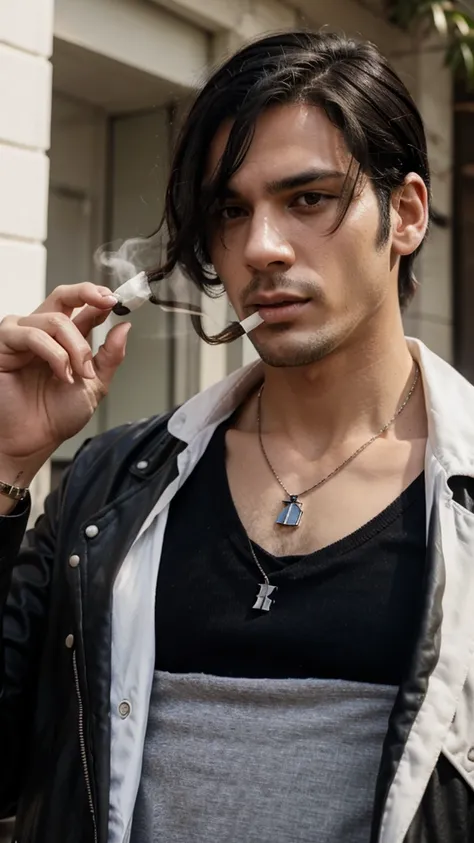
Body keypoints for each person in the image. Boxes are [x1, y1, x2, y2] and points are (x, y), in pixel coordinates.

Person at [0, 28, 472, 843]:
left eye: (308, 198)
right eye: (231, 210)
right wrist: (5, 465)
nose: (261, 246)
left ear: (405, 214)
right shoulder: (110, 488)